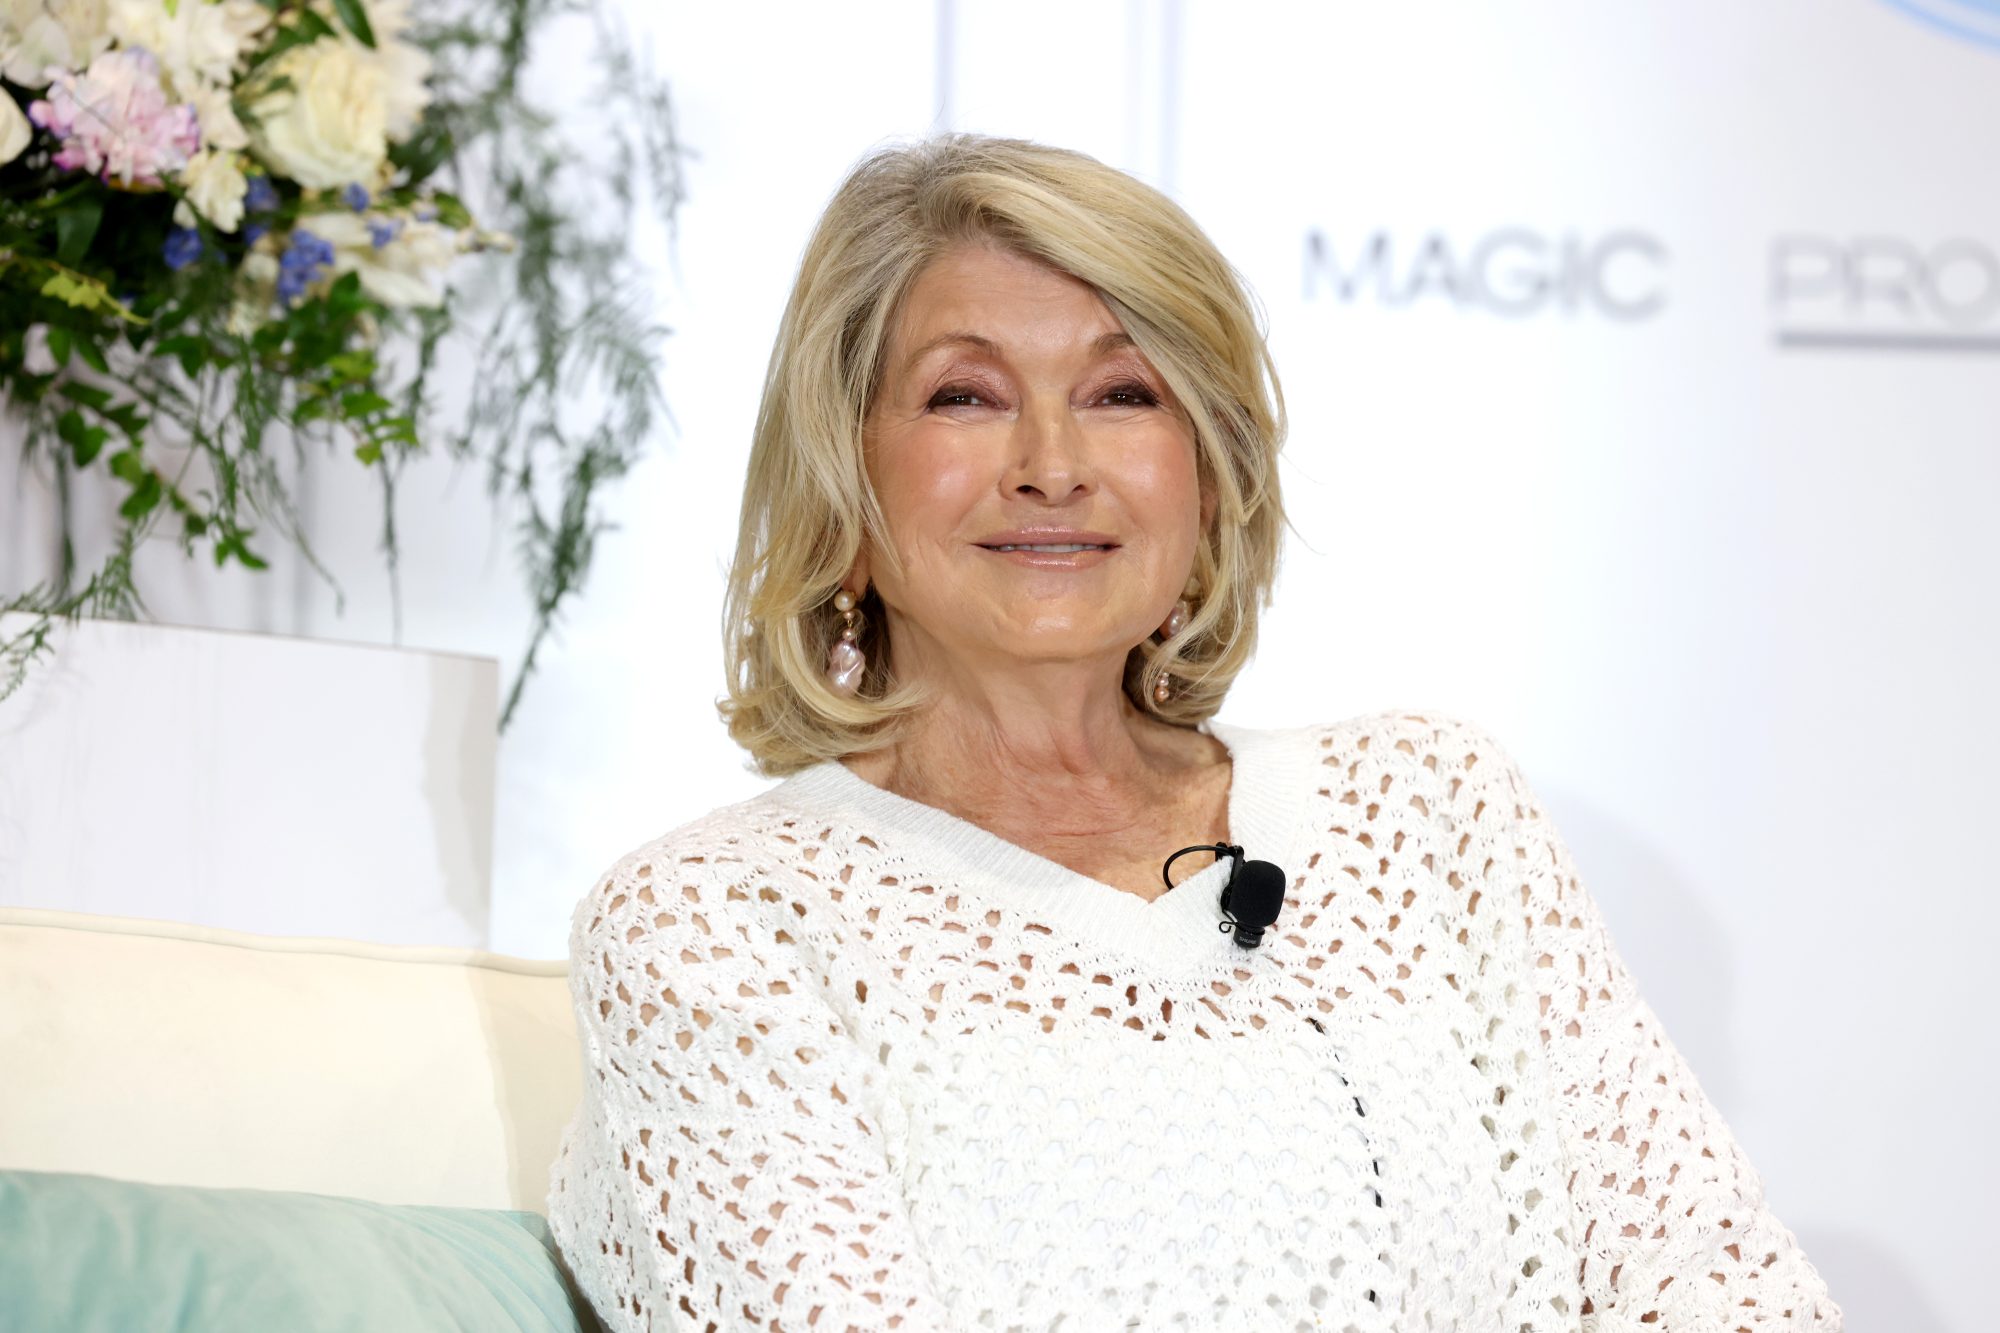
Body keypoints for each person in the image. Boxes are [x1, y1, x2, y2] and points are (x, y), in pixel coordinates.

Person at [545, 132, 1843, 1331]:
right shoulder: (710, 923)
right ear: (843, 478)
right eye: (965, 397)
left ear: (1206, 474)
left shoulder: (1432, 803)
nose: (1053, 462)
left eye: (1121, 392)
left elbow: (1722, 1283)